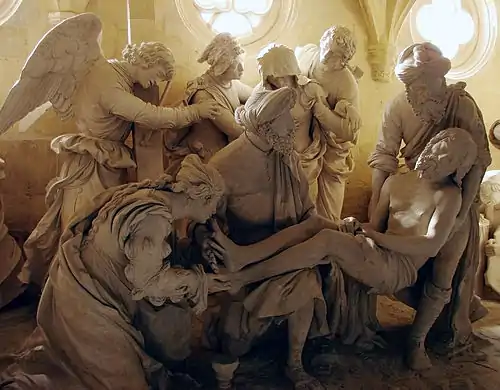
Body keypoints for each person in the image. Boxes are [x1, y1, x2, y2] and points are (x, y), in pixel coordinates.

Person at [215, 128, 477, 371]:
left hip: (397, 267)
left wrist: (375, 237)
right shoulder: (397, 181)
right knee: (314, 224)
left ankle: (244, 277)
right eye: (437, 147)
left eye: (448, 156)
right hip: (374, 249)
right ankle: (243, 256)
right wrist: (355, 226)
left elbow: (431, 245)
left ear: (458, 168)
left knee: (328, 240)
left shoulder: (448, 196)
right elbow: (375, 226)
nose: (436, 155)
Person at [0, 15, 222, 288]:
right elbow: (148, 115)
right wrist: (195, 112)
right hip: (93, 165)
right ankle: (71, 293)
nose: (153, 84)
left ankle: (86, 288)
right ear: (145, 62)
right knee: (84, 229)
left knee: (94, 228)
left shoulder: (109, 72)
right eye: (155, 76)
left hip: (102, 162)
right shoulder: (108, 83)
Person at [189, 87, 376, 390]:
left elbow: (309, 216)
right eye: (287, 121)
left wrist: (340, 227)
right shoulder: (223, 168)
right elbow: (200, 223)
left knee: (306, 277)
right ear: (265, 126)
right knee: (235, 346)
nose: (293, 127)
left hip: (293, 257)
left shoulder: (287, 157)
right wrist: (205, 242)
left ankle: (294, 363)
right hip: (245, 268)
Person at [30, 154, 230, 390]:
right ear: (201, 196)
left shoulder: (152, 193)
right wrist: (200, 281)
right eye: (214, 203)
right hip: (88, 306)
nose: (213, 212)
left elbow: (153, 257)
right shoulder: (154, 221)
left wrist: (197, 244)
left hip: (89, 283)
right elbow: (151, 283)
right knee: (124, 382)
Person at [367, 42, 491, 346]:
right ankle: (386, 326)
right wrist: (375, 212)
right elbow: (383, 156)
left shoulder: (461, 104)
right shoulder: (398, 106)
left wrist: (461, 216)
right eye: (412, 86)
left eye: (424, 84)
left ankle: (419, 340)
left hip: (455, 196)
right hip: (410, 193)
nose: (418, 92)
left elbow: (478, 160)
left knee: (444, 270)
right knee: (387, 262)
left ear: (440, 78)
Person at [254, 43, 359, 221]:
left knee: (309, 213)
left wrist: (344, 109)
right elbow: (250, 120)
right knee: (283, 216)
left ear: (291, 70)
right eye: (272, 77)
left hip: (308, 161)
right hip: (278, 163)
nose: (279, 82)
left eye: (282, 75)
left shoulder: (310, 90)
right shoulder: (263, 93)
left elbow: (329, 123)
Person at [295, 25, 363, 215]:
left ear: (344, 60)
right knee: (298, 191)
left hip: (332, 145)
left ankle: (329, 233)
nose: (327, 55)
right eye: (327, 47)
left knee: (330, 200)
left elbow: (350, 132)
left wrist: (321, 111)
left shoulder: (346, 83)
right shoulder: (307, 53)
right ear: (322, 41)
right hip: (303, 137)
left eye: (336, 55)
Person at [165, 33, 253, 175]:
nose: (242, 69)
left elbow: (256, 97)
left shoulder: (231, 83)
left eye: (242, 63)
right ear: (222, 66)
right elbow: (236, 131)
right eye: (236, 65)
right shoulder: (205, 95)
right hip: (209, 159)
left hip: (228, 151)